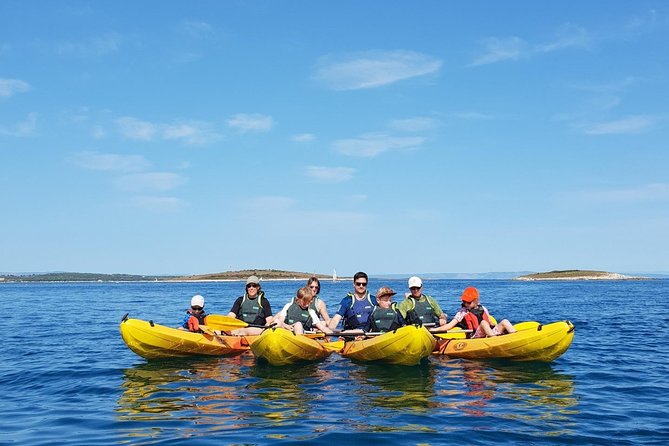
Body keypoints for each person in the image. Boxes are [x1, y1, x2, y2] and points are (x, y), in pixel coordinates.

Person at [438, 286, 516, 338]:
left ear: (476, 300)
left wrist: (499, 327)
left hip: (488, 331)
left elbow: (490, 323)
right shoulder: (463, 312)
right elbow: (449, 326)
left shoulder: (483, 308)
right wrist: (435, 330)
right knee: (483, 323)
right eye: (464, 301)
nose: (465, 304)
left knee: (505, 321)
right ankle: (494, 339)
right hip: (475, 335)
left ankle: (514, 337)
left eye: (468, 302)